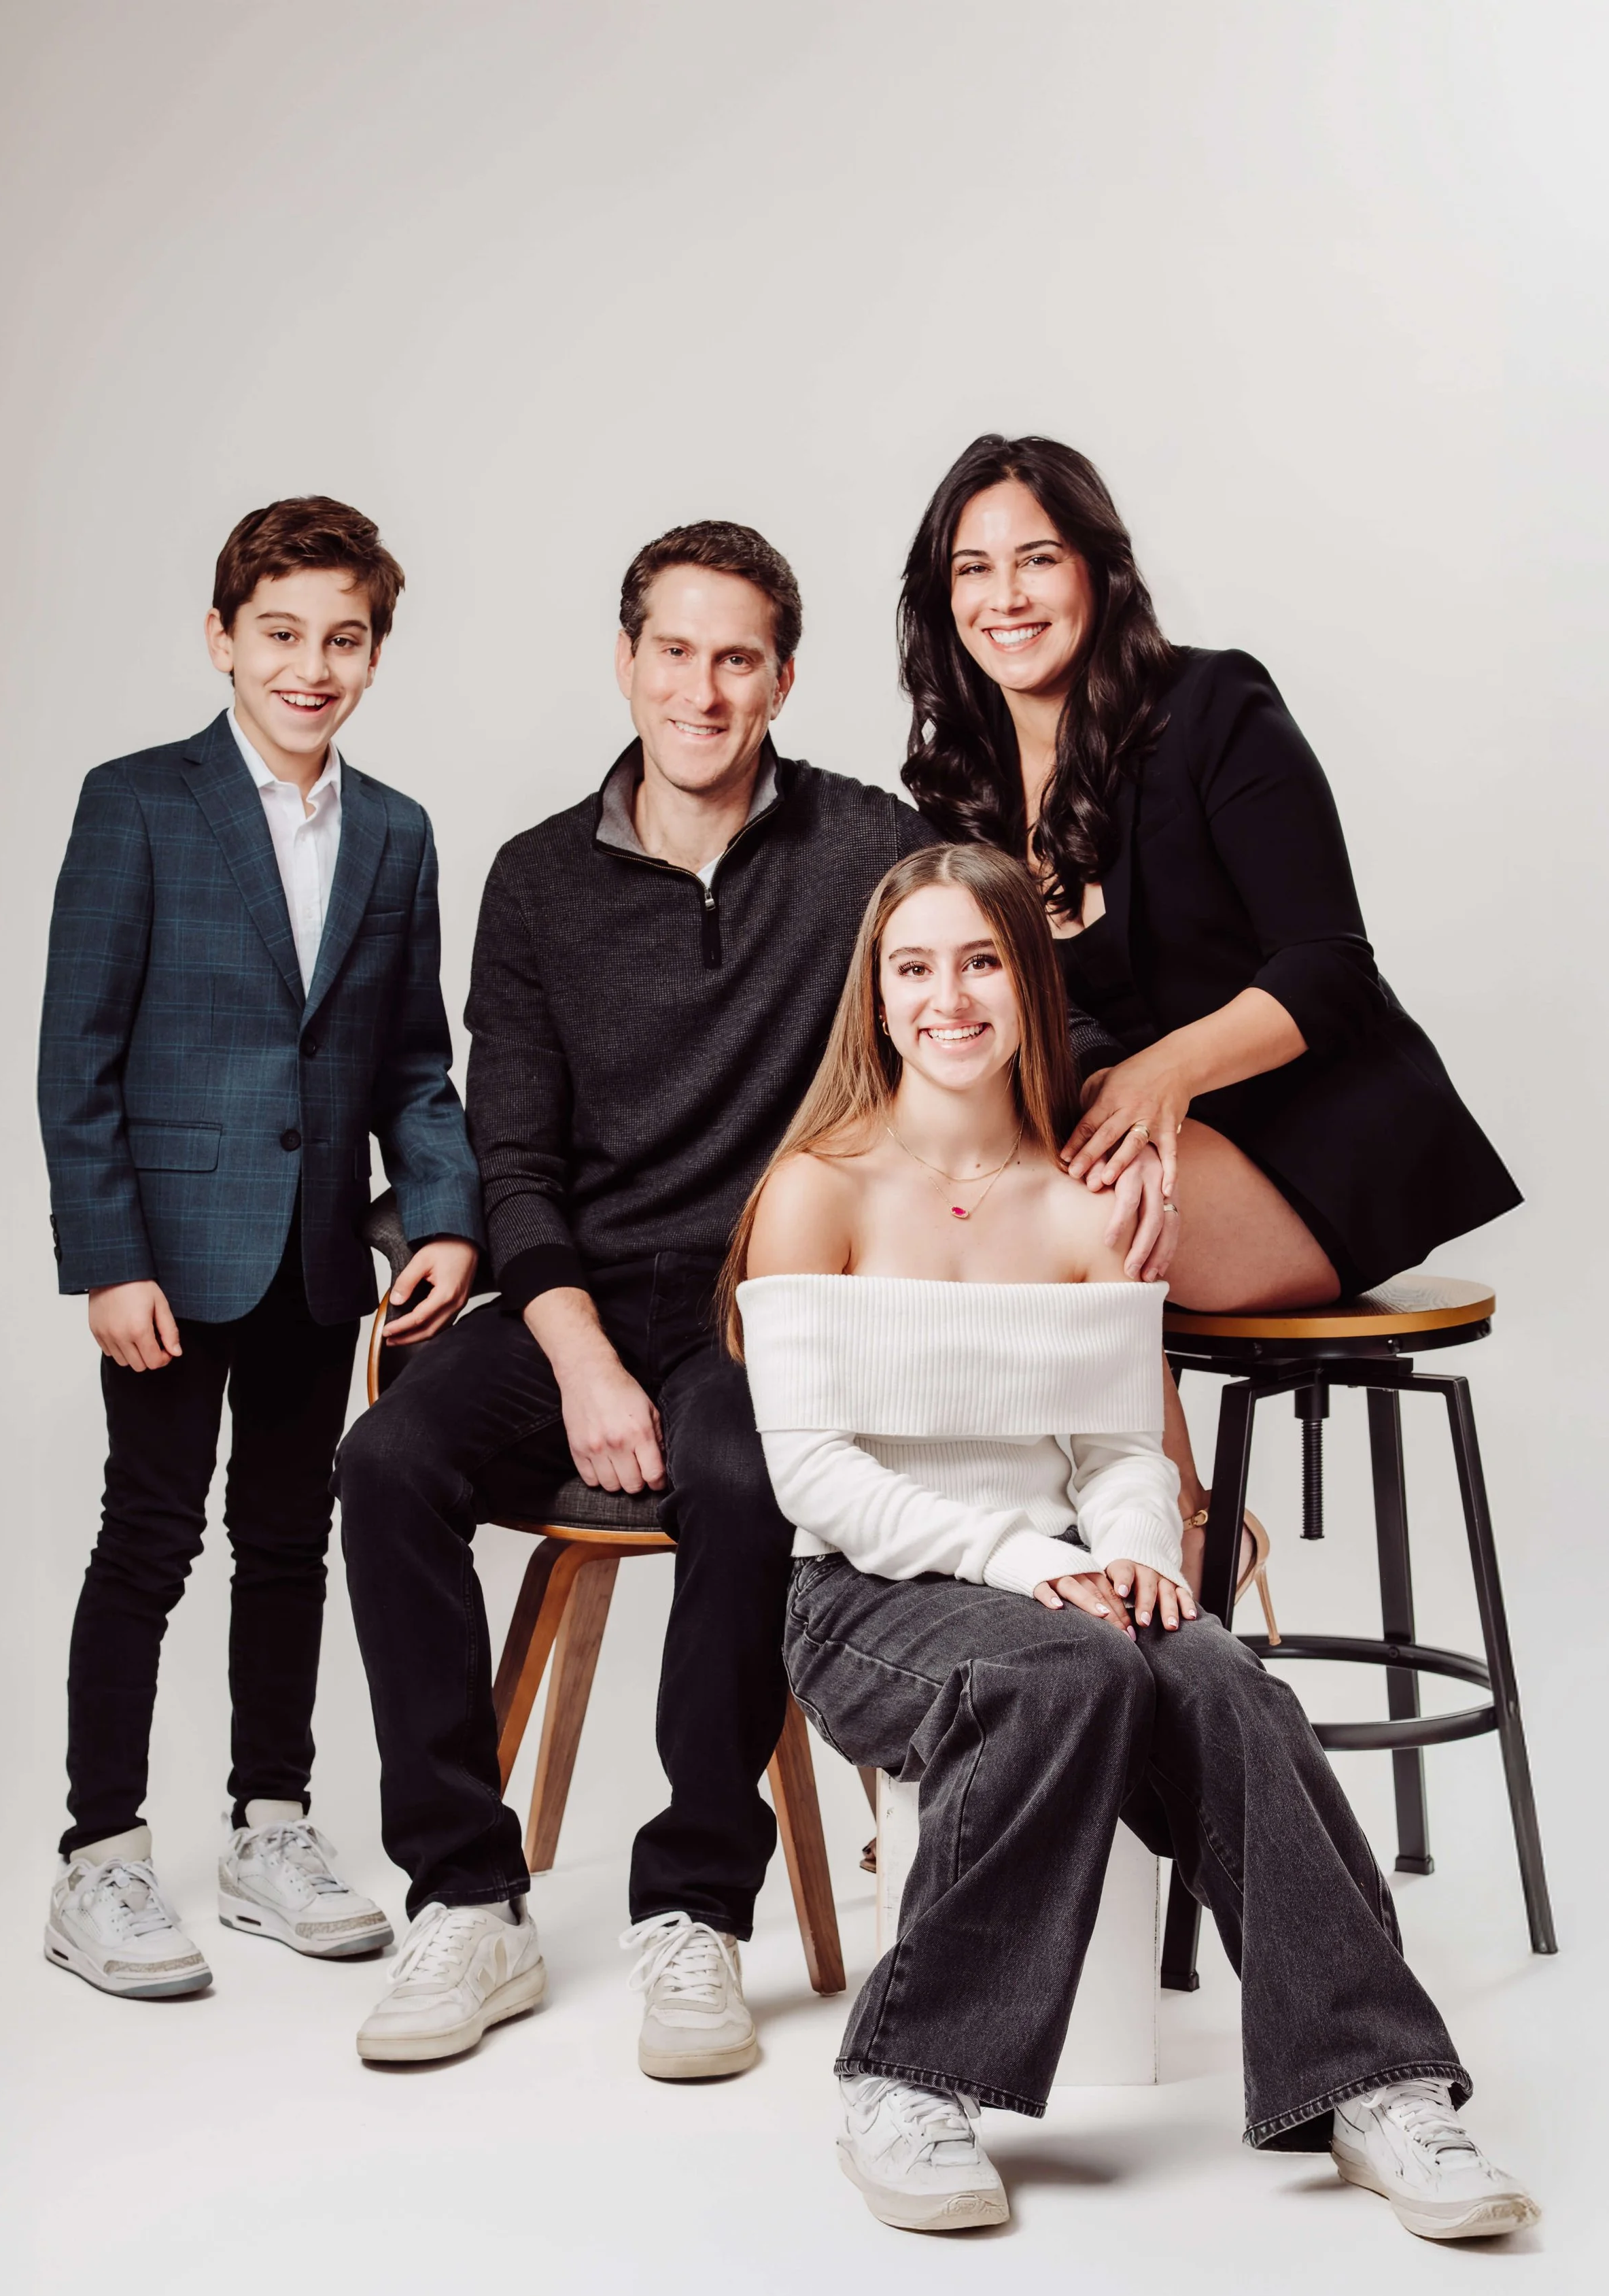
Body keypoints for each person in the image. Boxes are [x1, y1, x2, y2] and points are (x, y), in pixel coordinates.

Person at [335, 519, 1157, 2074]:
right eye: (672, 651)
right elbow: (512, 1162)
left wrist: (1137, 1121)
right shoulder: (532, 881)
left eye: (736, 659)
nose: (700, 691)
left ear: (782, 678)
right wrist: (574, 1359)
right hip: (575, 1293)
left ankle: (696, 1908)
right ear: (627, 660)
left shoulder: (860, 850)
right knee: (386, 1460)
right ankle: (465, 1895)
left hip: (762, 1292)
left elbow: (1003, 988)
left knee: (738, 1469)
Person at [728, 840, 1538, 2241]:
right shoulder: (821, 1187)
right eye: (911, 967)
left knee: (1220, 1676)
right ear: (872, 995)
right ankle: (908, 2078)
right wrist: (1041, 1566)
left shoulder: (1086, 1195)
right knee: (1063, 1673)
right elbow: (812, 1473)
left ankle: (1375, 2083)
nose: (947, 997)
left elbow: (1109, 1448)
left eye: (979, 960)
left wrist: (1137, 1552)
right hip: (870, 1593)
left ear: (1028, 986)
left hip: (1058, 1573)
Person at [896, 434, 1521, 1600]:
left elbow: (1329, 966)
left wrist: (1158, 1077)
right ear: (941, 602)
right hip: (1142, 1161)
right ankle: (1088, 1558)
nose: (1006, 597)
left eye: (1038, 559)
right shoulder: (954, 791)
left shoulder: (1213, 704)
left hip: (1324, 1141)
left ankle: (1183, 1539)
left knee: (1059, 1205)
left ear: (1097, 570)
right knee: (973, 1196)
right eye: (973, 570)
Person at [38, 497, 483, 2000]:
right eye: (281, 633)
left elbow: (414, 1067)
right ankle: (99, 1853)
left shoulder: (400, 833)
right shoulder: (138, 804)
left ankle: (269, 1828)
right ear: (222, 637)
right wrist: (106, 1258)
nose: (312, 665)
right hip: (167, 1256)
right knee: (149, 1541)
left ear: (374, 653)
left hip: (313, 1262)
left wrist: (443, 1217)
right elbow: (77, 1056)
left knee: (289, 1545)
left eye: (343, 638)